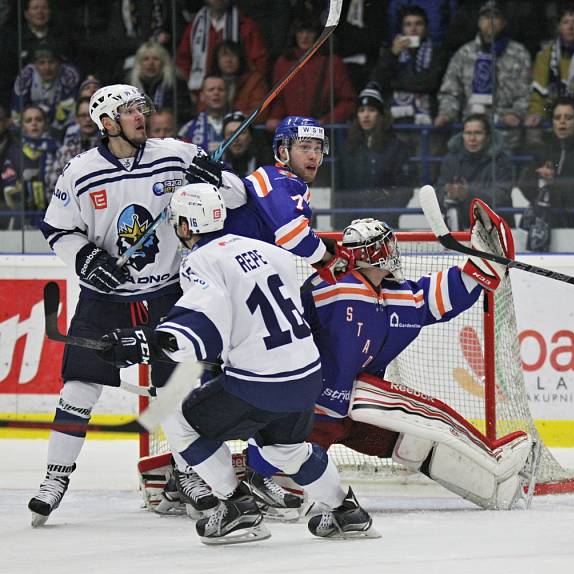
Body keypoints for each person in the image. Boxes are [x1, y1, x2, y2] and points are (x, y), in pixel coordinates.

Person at [96, 183, 378, 543]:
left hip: (261, 381)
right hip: (307, 375)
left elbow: (202, 320)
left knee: (178, 420)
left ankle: (236, 508)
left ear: (185, 225)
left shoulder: (200, 261)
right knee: (285, 449)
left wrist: (148, 342)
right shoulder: (267, 250)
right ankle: (345, 512)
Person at [27, 83, 239, 527]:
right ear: (106, 123)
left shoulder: (176, 154)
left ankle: (188, 472)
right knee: (79, 389)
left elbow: (236, 195)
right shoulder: (80, 171)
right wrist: (86, 258)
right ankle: (55, 477)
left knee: (177, 391)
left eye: (142, 107)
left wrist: (214, 178)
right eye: (129, 110)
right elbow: (58, 230)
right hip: (106, 299)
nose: (141, 116)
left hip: (166, 293)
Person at [293, 208, 531, 510]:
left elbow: (433, 296)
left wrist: (481, 267)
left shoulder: (395, 295)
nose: (393, 250)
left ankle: (491, 484)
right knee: (284, 473)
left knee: (415, 440)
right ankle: (246, 477)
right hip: (309, 413)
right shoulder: (332, 290)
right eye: (386, 244)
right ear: (372, 252)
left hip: (355, 410)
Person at [222, 115, 356, 285]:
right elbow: (292, 234)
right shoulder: (281, 179)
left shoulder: (273, 179)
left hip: (234, 271)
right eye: (305, 147)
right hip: (230, 274)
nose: (313, 156)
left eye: (317, 148)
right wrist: (328, 259)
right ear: (283, 151)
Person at [435, 1, 531, 152]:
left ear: (504, 22)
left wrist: (516, 114)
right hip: (471, 137)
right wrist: (446, 114)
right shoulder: (464, 54)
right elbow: (450, 92)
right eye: (486, 17)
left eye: (495, 17)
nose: (490, 22)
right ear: (479, 22)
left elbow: (526, 93)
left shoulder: (519, 53)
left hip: (506, 137)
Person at [518, 96, 574, 250]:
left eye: (568, 117)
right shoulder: (545, 150)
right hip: (549, 228)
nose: (562, 122)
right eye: (557, 117)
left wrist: (555, 182)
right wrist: (539, 179)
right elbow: (524, 184)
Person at [333, 83, 414, 229]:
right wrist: (339, 223)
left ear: (381, 114)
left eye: (371, 110)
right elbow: (338, 188)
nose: (366, 115)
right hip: (351, 224)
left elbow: (404, 188)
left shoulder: (397, 147)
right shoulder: (346, 148)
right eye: (361, 110)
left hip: (384, 224)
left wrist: (387, 217)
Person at [265, 18, 356, 132]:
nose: (304, 37)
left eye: (309, 32)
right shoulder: (283, 63)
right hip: (293, 134)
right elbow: (278, 99)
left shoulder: (332, 63)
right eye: (300, 32)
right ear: (294, 35)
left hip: (325, 132)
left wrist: (325, 121)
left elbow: (348, 101)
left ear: (318, 35)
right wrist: (275, 117)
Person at [434, 113, 513, 230]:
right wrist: (448, 193)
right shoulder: (451, 159)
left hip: (496, 228)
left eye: (478, 133)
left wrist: (468, 193)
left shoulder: (502, 160)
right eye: (468, 133)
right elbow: (439, 192)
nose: (472, 139)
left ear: (488, 136)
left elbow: (501, 196)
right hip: (459, 227)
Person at [373, 4, 447, 128]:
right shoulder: (391, 52)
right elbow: (378, 81)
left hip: (429, 117)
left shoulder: (438, 53)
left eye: (418, 24)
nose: (413, 29)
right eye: (408, 24)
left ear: (426, 27)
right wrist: (393, 55)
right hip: (395, 120)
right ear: (402, 29)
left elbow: (431, 83)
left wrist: (397, 83)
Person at [176, 0, 268, 95]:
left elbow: (259, 64)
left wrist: (248, 89)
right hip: (202, 96)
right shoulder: (194, 28)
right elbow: (183, 62)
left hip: (240, 94)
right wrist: (192, 91)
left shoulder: (246, 27)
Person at [2, 105, 58, 227]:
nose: (34, 123)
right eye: (28, 120)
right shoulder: (14, 151)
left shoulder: (55, 148)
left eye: (38, 119)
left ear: (45, 123)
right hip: (24, 215)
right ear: (23, 126)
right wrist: (20, 187)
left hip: (54, 213)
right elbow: (8, 182)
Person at [12, 42, 80, 134]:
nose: (47, 68)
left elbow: (69, 109)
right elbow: (17, 111)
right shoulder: (25, 76)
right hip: (30, 129)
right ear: (35, 65)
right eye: (41, 63)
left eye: (51, 62)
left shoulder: (69, 75)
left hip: (61, 129)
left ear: (59, 63)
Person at [126, 40, 192, 124]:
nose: (151, 63)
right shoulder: (128, 85)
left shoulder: (176, 83)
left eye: (156, 59)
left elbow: (185, 112)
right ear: (139, 63)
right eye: (146, 59)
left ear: (163, 63)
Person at [45, 97, 100, 195]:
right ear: (77, 119)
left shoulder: (111, 148)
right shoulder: (66, 151)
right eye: (83, 115)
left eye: (91, 115)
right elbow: (53, 187)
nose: (87, 119)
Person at [205, 40, 269, 124]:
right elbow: (202, 110)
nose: (228, 60)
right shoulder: (210, 80)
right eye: (224, 55)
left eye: (233, 55)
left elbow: (259, 114)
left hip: (243, 129)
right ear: (217, 60)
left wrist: (234, 121)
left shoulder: (254, 80)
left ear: (240, 59)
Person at [178, 75, 228, 154]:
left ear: (227, 94)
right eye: (211, 89)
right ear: (202, 96)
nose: (216, 93)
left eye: (221, 89)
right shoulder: (187, 129)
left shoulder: (241, 124)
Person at [220, 110, 267, 177]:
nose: (235, 139)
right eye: (230, 134)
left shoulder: (265, 162)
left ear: (250, 136)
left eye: (241, 133)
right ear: (224, 138)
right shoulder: (216, 164)